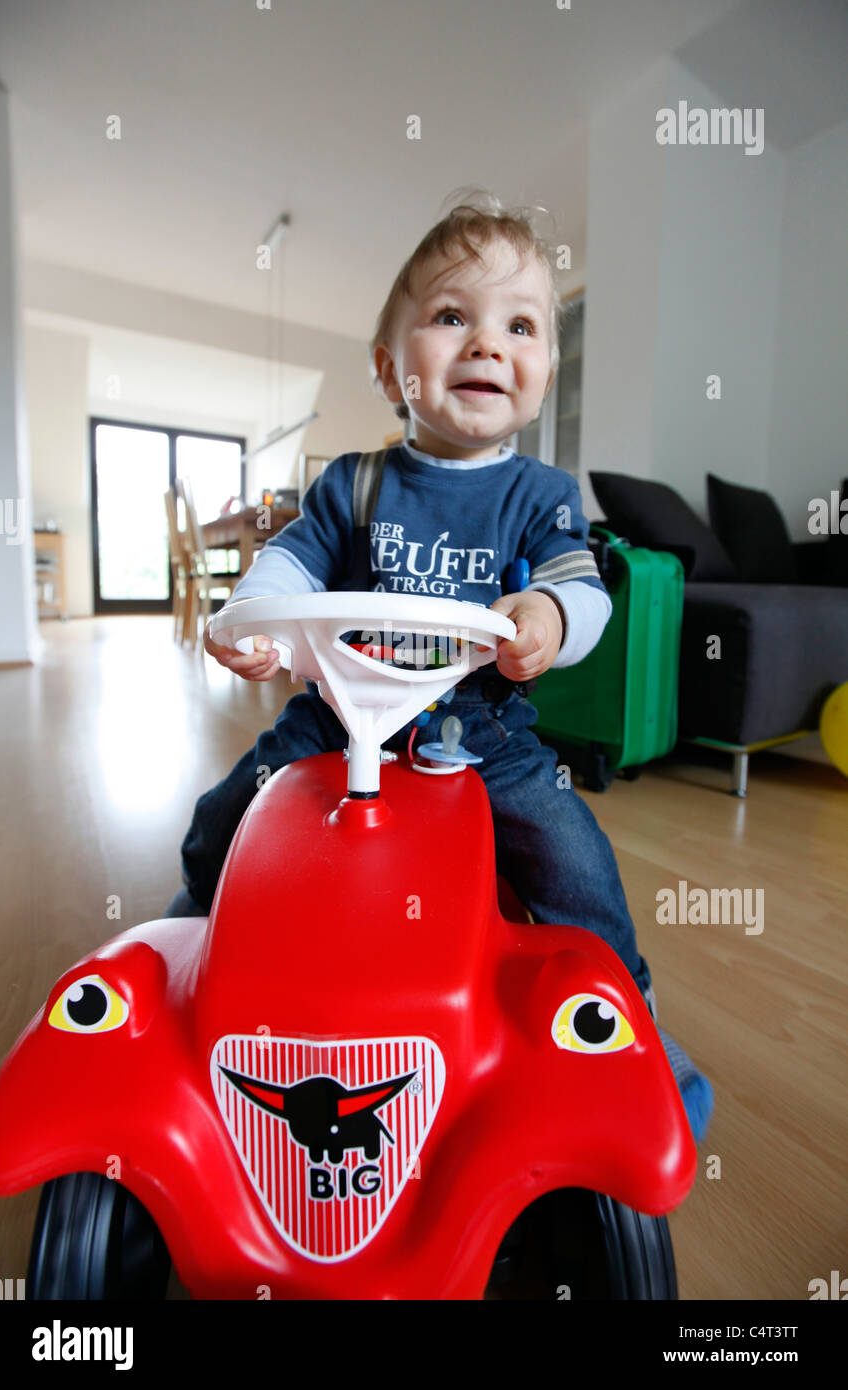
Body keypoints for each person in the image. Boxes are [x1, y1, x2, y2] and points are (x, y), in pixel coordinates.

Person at [168, 194, 713, 1142]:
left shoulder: (541, 496)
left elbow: (584, 590)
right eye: (452, 317)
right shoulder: (355, 482)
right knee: (230, 813)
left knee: (573, 858)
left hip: (484, 736)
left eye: (521, 326)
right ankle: (186, 950)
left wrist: (547, 613)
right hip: (336, 721)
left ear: (542, 370)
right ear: (391, 369)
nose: (487, 346)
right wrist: (249, 616)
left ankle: (627, 1020)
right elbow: (289, 562)